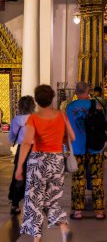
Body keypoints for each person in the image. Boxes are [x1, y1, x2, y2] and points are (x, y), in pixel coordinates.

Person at [15, 84, 75, 242]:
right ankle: (63, 227)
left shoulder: (33, 118)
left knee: (34, 200)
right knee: (52, 199)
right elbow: (72, 137)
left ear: (36, 100)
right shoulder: (62, 115)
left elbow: (27, 142)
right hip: (56, 160)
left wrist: (20, 166)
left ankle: (37, 237)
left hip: (38, 161)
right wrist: (58, 139)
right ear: (52, 97)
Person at [66, 82, 106, 220]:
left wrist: (66, 149)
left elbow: (66, 129)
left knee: (78, 179)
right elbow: (103, 125)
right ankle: (99, 211)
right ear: (88, 91)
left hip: (77, 148)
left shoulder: (70, 107)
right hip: (95, 147)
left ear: (76, 92)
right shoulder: (97, 105)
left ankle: (78, 211)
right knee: (97, 178)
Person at [8, 95, 36, 215]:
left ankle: (15, 204)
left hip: (21, 150)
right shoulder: (36, 119)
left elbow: (11, 137)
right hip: (34, 149)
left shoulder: (16, 120)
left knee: (19, 176)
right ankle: (32, 205)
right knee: (34, 177)